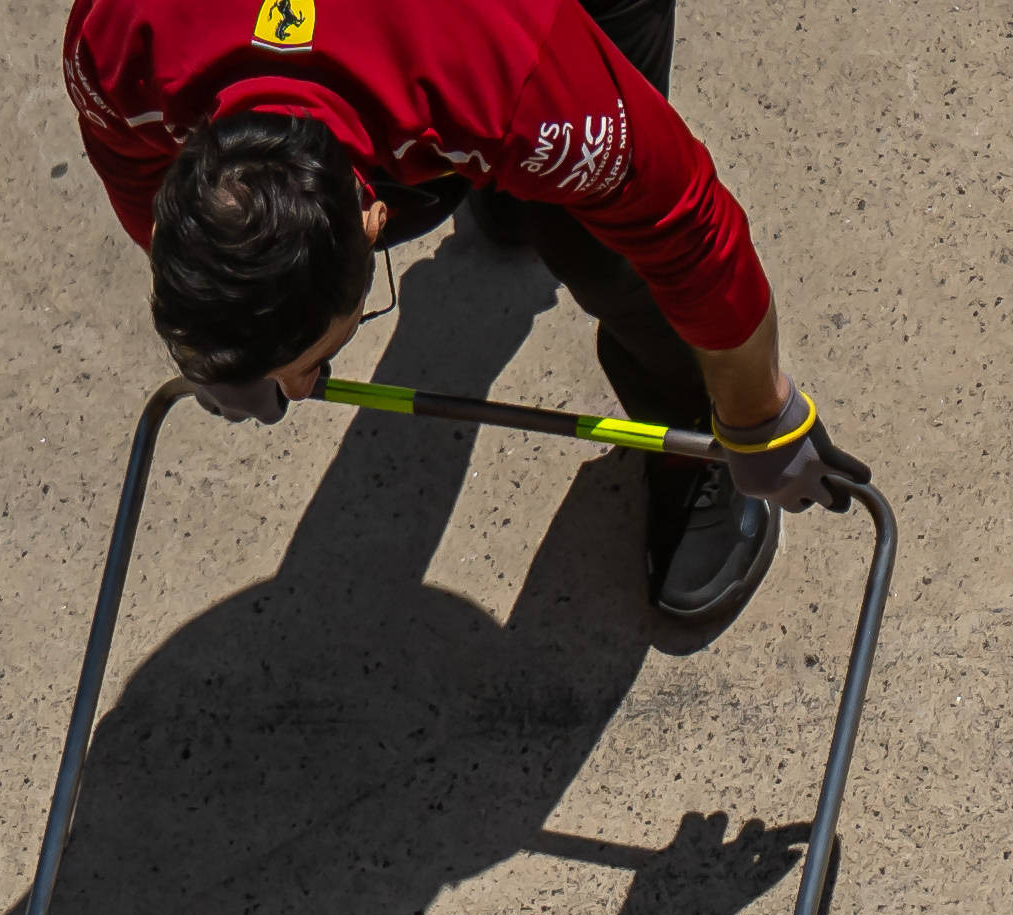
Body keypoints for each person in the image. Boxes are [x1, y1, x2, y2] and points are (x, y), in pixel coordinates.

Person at [71, 0, 862, 646]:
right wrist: (227, 347)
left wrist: (756, 415)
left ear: (372, 217)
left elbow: (688, 227)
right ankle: (502, 185)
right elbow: (143, 182)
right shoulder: (118, 42)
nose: (302, 391)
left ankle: (688, 433)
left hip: (490, 48)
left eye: (313, 360)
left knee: (596, 245)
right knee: (513, 179)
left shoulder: (515, 73)